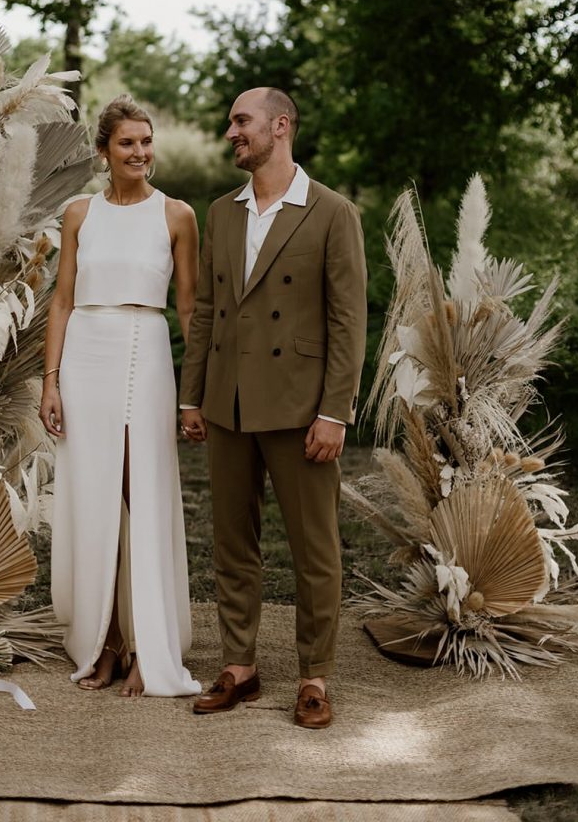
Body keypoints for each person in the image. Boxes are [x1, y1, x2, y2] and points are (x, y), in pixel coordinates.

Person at [179, 87, 367, 728]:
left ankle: (314, 676)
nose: (231, 131)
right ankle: (240, 666)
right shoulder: (222, 212)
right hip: (228, 402)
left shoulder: (331, 211)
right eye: (232, 121)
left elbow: (349, 321)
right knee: (233, 542)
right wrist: (193, 395)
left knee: (315, 548)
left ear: (279, 126)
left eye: (242, 121)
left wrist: (335, 411)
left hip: (300, 406)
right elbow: (205, 312)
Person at [40, 95, 201, 698]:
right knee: (95, 496)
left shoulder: (177, 215)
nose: (140, 152)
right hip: (86, 352)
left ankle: (146, 649)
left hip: (147, 349)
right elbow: (60, 300)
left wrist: (196, 392)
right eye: (127, 143)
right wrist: (50, 381)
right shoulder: (78, 213)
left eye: (146, 141)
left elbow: (188, 308)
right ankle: (103, 643)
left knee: (142, 493)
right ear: (104, 151)